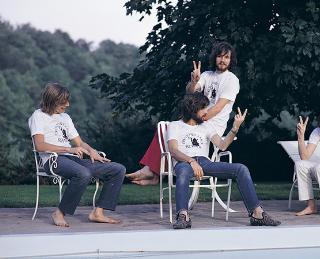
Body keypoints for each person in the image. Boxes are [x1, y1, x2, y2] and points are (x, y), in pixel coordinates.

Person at [126, 42, 240, 185]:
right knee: (165, 128)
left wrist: (193, 120)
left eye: (226, 57)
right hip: (198, 121)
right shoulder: (206, 74)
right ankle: (152, 172)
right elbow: (191, 92)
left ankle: (152, 172)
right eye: (219, 56)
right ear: (214, 58)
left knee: (167, 128)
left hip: (211, 125)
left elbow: (218, 108)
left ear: (231, 59)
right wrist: (194, 81)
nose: (222, 60)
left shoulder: (232, 80)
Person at [168, 92, 280, 229]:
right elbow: (173, 150)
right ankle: (183, 216)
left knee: (241, 169)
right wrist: (191, 161)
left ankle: (257, 214)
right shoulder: (175, 125)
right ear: (193, 108)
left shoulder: (206, 126)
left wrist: (235, 128)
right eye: (203, 108)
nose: (206, 112)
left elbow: (222, 145)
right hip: (183, 162)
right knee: (183, 171)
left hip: (204, 162)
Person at [28, 83, 126, 227]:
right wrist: (68, 150)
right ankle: (59, 213)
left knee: (117, 169)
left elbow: (79, 143)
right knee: (83, 173)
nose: (67, 104)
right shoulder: (38, 116)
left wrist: (92, 151)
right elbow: (40, 145)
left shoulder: (65, 117)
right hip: (53, 159)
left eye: (68, 101)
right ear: (52, 100)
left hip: (72, 159)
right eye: (63, 102)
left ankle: (98, 213)